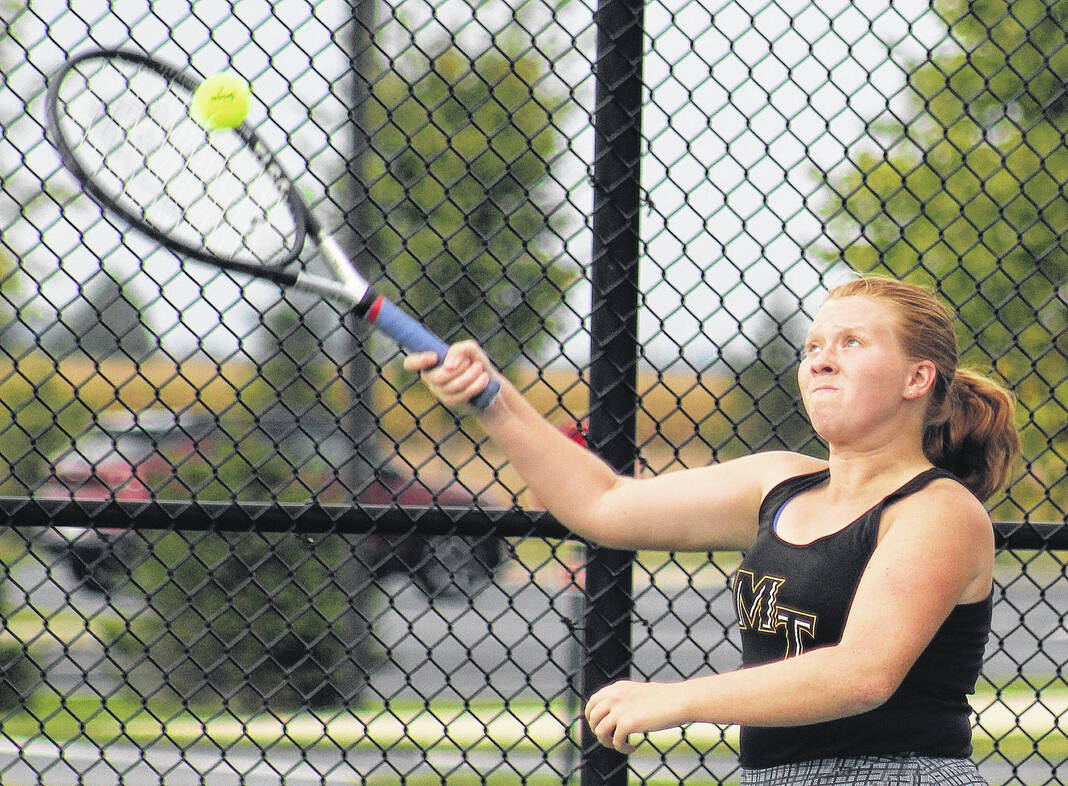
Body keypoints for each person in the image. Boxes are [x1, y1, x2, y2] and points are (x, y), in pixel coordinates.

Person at [404, 276, 1021, 785]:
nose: (822, 359)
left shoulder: (938, 511)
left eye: (853, 343)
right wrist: (494, 399)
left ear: (918, 379)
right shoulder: (779, 482)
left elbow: (862, 675)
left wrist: (678, 699)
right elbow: (604, 503)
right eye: (813, 347)